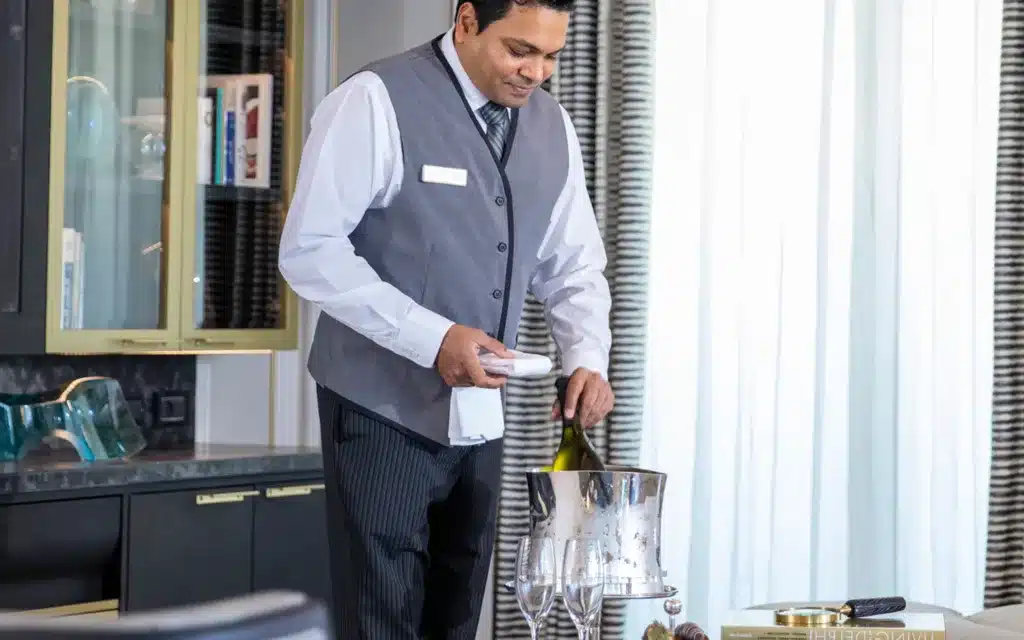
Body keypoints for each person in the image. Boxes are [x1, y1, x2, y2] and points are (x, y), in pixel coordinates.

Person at [278, 0, 614, 636]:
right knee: (382, 620)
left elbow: (572, 266)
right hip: (378, 412)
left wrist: (586, 359)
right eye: (519, 50)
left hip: (481, 420)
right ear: (466, 20)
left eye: (550, 56)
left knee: (456, 618)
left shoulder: (552, 125)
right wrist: (433, 338)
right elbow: (309, 249)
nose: (536, 72)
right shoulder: (376, 99)